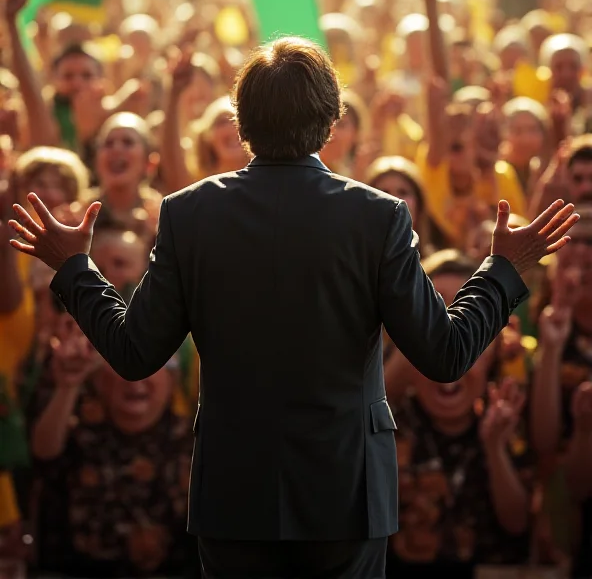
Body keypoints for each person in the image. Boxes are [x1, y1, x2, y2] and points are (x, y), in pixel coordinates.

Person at [6, 38, 579, 579]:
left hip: (234, 496)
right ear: (331, 122)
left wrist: (75, 269)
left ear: (241, 121)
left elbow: (134, 353)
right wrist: (504, 268)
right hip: (345, 497)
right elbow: (447, 353)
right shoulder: (377, 217)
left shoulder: (189, 213)